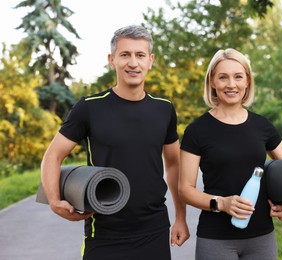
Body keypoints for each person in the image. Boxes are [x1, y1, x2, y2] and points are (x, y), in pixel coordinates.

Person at [40, 25, 189, 260]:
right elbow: (53, 155)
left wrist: (180, 217)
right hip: (104, 233)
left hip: (154, 229)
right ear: (112, 60)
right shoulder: (89, 107)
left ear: (150, 61)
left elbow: (173, 164)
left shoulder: (164, 109)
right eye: (125, 55)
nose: (133, 63)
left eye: (140, 55)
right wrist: (53, 200)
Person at [179, 48, 282, 260]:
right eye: (223, 77)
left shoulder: (262, 126)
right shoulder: (197, 130)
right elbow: (185, 190)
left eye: (238, 77)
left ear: (247, 82)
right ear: (212, 82)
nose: (231, 84)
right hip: (216, 239)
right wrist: (221, 203)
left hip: (262, 239)